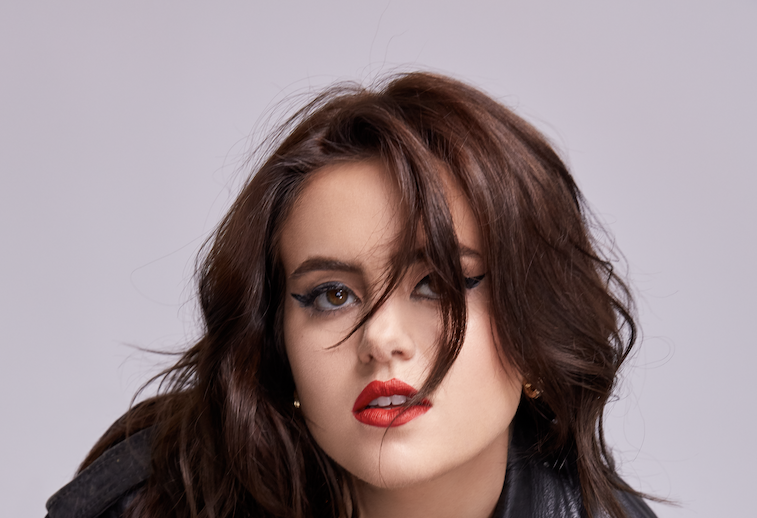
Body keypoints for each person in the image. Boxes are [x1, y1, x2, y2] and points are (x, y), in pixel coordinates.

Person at [45, 72, 658, 518]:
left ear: (538, 325)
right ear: (277, 345)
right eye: (332, 295)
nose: (381, 340)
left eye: (438, 285)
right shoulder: (148, 505)